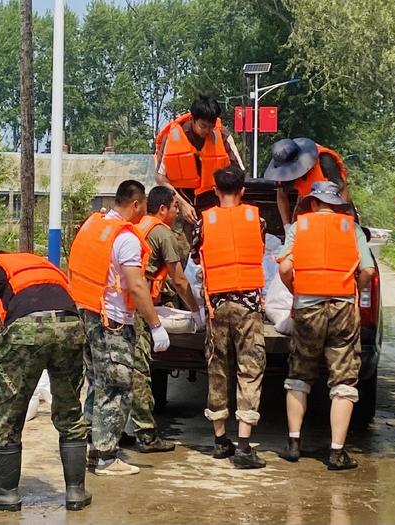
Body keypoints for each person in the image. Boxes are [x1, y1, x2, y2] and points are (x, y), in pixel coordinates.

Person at [0, 251, 91, 512]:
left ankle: (4, 492)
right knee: (70, 409)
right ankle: (76, 491)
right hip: (71, 325)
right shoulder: (43, 265)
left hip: (27, 329)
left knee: (8, 413)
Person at [68, 180, 171, 476]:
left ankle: (91, 446)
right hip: (112, 322)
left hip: (88, 313)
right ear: (136, 204)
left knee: (97, 384)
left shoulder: (94, 225)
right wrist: (155, 324)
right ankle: (106, 457)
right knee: (116, 387)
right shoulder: (125, 237)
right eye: (143, 208)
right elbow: (137, 286)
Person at [277, 181, 375, 470]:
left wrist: (296, 289)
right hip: (343, 307)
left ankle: (294, 444)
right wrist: (355, 288)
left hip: (308, 308)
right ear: (336, 203)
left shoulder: (299, 226)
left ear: (314, 203)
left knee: (300, 374)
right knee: (343, 379)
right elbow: (368, 269)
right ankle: (336, 452)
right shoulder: (351, 228)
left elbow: (284, 267)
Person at [190, 165, 267, 469]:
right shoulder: (257, 220)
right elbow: (259, 250)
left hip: (217, 306)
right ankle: (245, 448)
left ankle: (221, 441)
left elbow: (196, 256)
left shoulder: (204, 222)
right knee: (250, 370)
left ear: (216, 191)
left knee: (218, 369)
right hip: (248, 307)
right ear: (243, 191)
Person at [130, 186, 206, 452]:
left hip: (122, 303)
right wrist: (197, 311)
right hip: (137, 304)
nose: (177, 211)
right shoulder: (163, 233)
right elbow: (179, 280)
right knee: (140, 371)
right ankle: (146, 435)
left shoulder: (139, 226)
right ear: (162, 209)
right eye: (175, 207)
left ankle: (108, 432)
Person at [155, 95, 246, 229]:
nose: (207, 131)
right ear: (192, 119)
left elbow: (239, 173)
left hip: (214, 204)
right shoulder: (172, 137)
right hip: (182, 203)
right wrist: (182, 204)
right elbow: (160, 177)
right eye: (203, 126)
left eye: (211, 126)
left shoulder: (223, 135)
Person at [264, 138, 349, 227]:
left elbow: (342, 189)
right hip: (307, 207)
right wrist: (287, 225)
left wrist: (341, 218)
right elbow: (281, 195)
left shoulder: (324, 159)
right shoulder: (283, 166)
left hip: (331, 209)